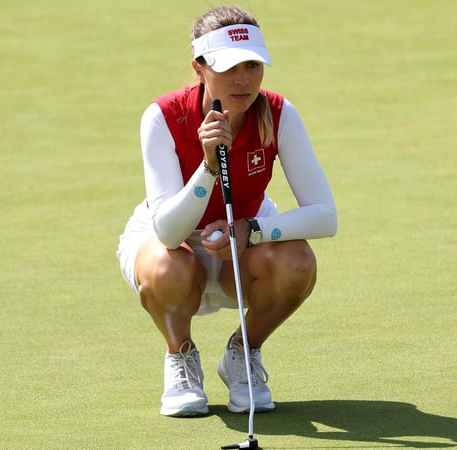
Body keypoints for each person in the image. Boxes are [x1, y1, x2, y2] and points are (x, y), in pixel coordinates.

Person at [116, 5, 337, 417]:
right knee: (168, 268)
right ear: (199, 67)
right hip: (174, 242)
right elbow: (167, 232)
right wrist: (208, 167)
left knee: (298, 261)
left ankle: (242, 352)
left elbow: (325, 215)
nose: (243, 79)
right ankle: (180, 356)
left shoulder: (278, 113)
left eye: (253, 65)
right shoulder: (163, 116)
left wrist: (251, 231)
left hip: (244, 240)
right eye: (229, 66)